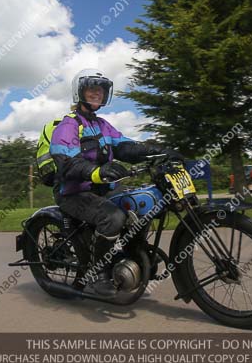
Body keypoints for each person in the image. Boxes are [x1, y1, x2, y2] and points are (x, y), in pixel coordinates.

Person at [49, 68, 183, 296]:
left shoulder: (102, 125)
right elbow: (66, 162)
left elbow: (125, 147)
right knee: (112, 217)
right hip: (73, 193)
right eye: (92, 88)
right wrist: (97, 172)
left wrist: (157, 151)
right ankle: (98, 272)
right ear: (80, 92)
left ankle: (132, 258)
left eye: (101, 90)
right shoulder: (69, 125)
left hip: (104, 190)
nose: (97, 93)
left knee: (142, 206)